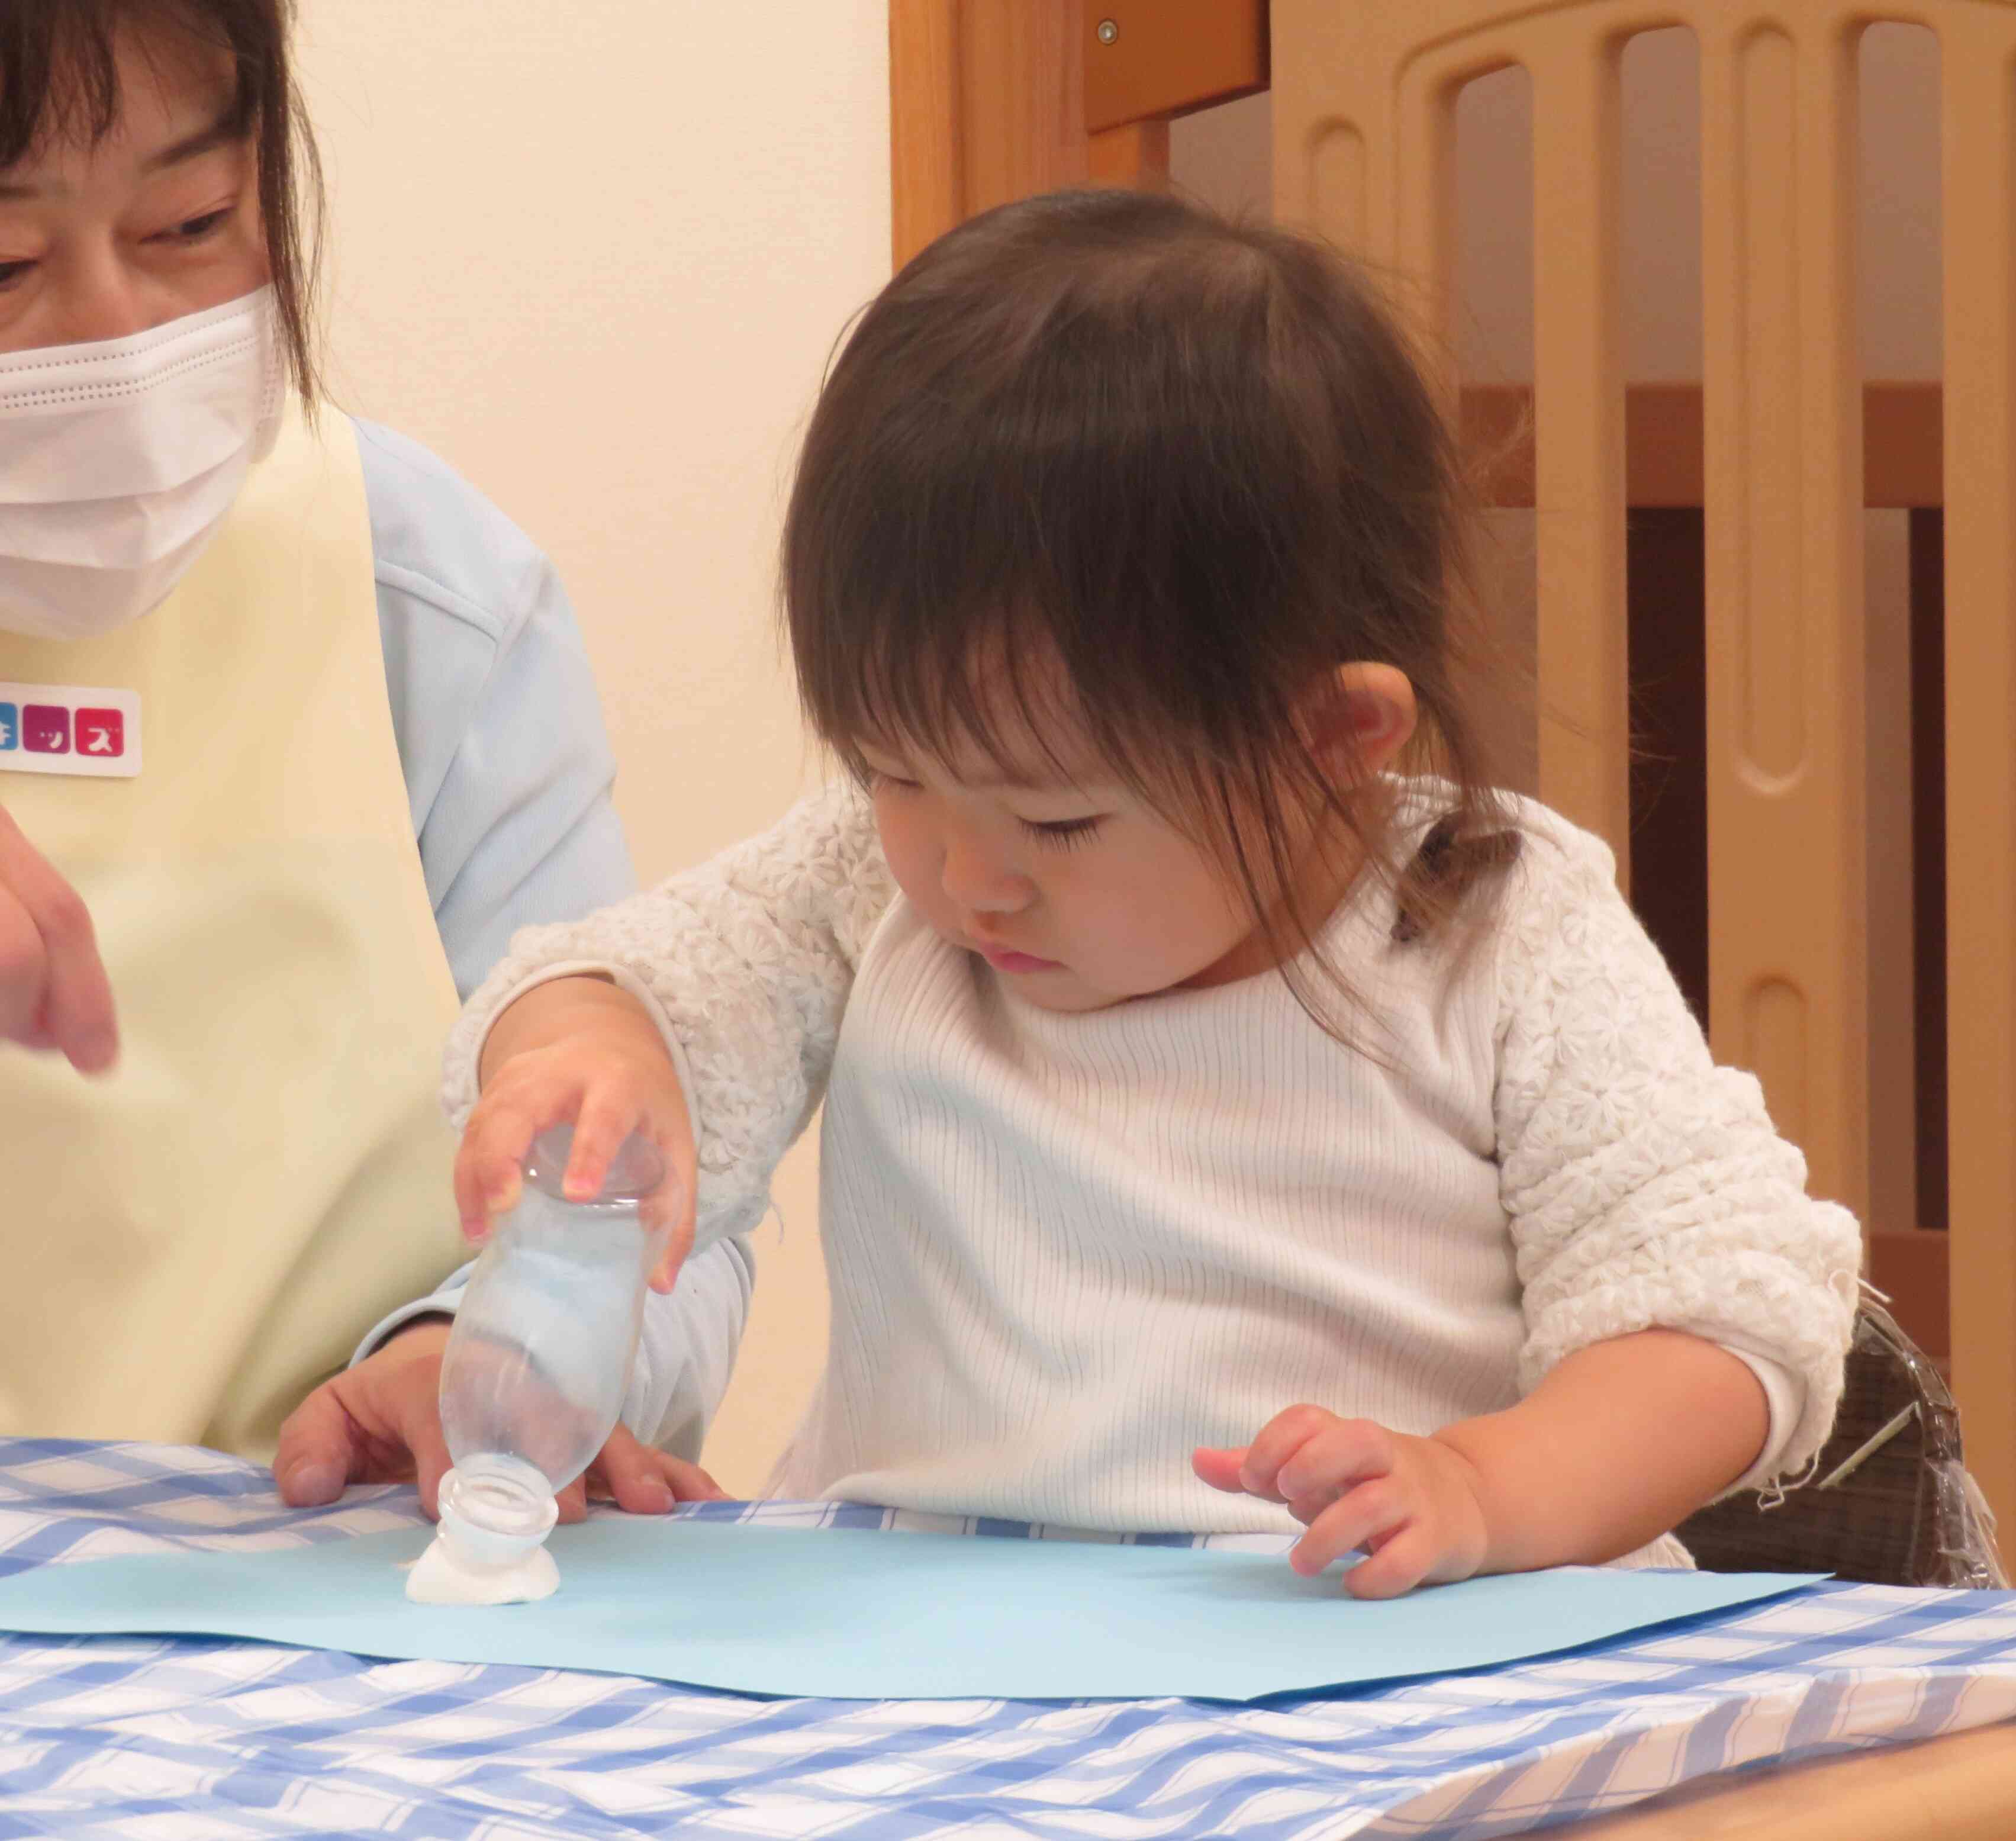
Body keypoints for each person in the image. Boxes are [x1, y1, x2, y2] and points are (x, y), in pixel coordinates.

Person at [438, 188, 1862, 1594]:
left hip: (1365, 1636)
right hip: (902, 1635)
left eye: (1059, 820)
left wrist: (1489, 1485)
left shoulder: (1489, 922)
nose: (963, 875)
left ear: (1329, 741)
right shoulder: (870, 883)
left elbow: (1719, 1309)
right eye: (891, 768)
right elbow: (634, 984)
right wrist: (592, 1059)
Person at [0, 0, 745, 1520]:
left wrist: (489, 1344)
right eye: (3, 266)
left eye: (194, 222)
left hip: (312, 1591)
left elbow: (674, 1198)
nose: (120, 340)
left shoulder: (420, 595)